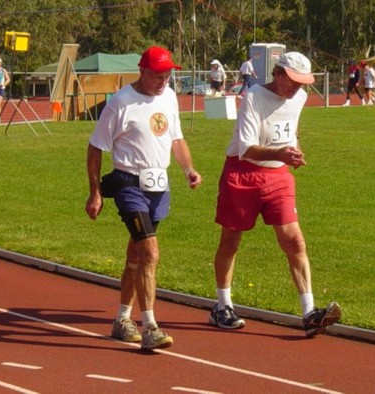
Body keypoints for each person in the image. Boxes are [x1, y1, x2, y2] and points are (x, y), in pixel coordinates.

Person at [208, 51, 341, 338]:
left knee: (294, 239)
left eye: (302, 83)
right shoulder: (255, 96)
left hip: (278, 175)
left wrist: (292, 150)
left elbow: (289, 130)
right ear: (278, 73)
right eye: (293, 80)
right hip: (242, 172)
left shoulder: (300, 98)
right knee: (231, 240)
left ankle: (309, 312)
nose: (297, 88)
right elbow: (246, 147)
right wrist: (280, 152)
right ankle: (223, 305)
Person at [85, 45, 202, 350]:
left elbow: (175, 138)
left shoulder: (169, 97)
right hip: (128, 185)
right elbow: (95, 146)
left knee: (136, 257)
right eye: (159, 76)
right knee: (150, 253)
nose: (164, 81)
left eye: (168, 75)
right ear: (143, 72)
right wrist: (95, 192)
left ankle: (122, 319)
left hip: (158, 187)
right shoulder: (121, 102)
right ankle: (150, 326)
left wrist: (188, 168)